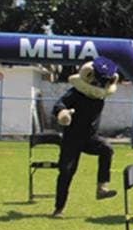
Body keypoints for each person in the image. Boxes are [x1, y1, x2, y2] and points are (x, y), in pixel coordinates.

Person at [51, 57, 120, 216]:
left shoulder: (100, 95)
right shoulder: (76, 93)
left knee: (107, 149)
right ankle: (59, 208)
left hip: (90, 138)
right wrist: (63, 113)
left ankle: (102, 187)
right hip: (72, 138)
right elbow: (59, 105)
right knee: (66, 171)